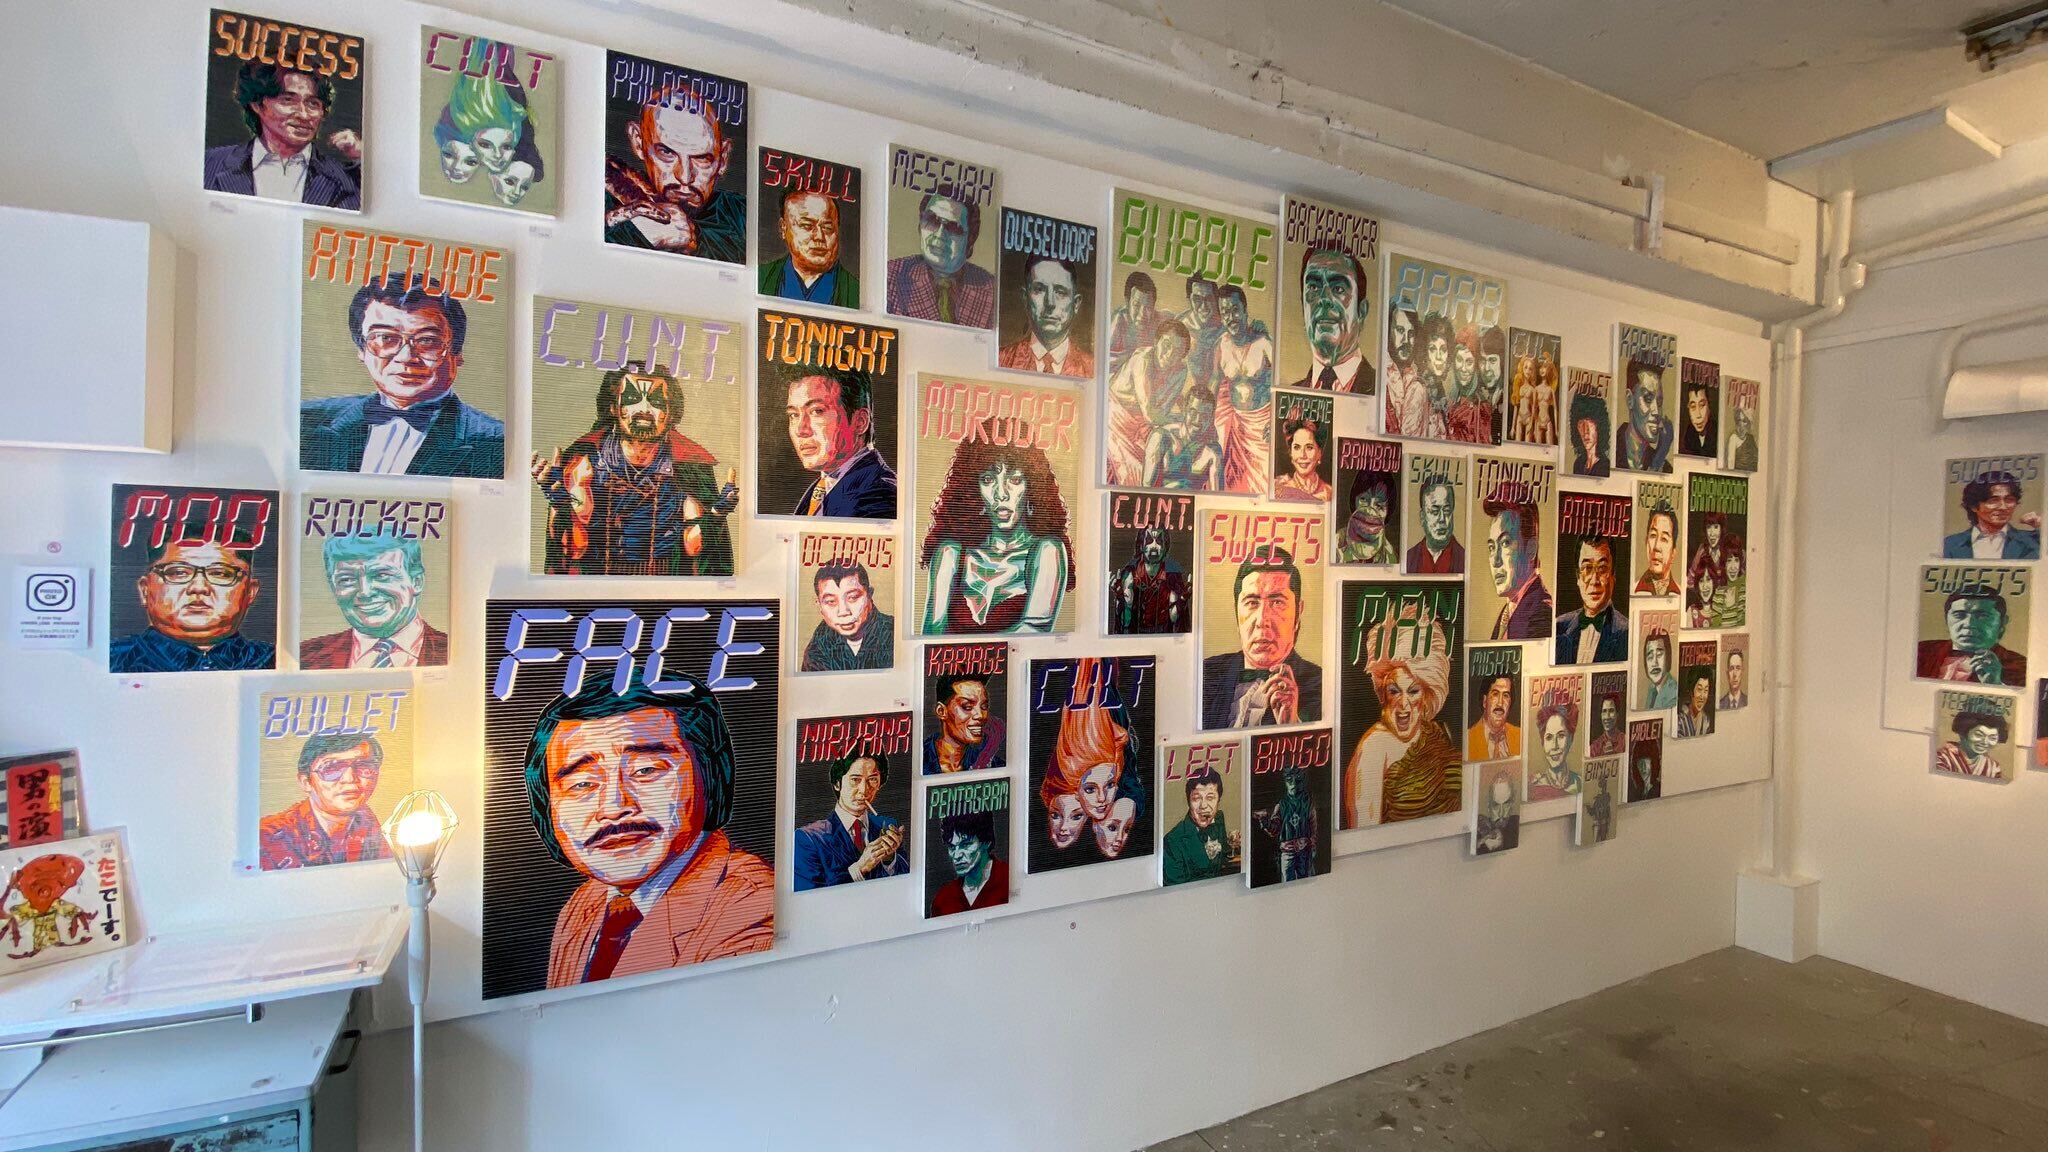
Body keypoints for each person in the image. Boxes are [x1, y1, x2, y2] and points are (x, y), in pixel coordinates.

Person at [523, 676, 774, 987]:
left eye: (645, 770)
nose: (614, 806)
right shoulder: (585, 904)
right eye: (583, 784)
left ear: (710, 775)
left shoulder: (752, 908)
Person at [531, 361, 738, 576]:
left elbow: (693, 547)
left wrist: (715, 515)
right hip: (602, 583)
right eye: (631, 399)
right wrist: (561, 506)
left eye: (656, 401)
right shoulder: (586, 463)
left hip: (665, 583)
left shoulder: (688, 466)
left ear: (670, 413)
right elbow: (575, 549)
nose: (644, 410)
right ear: (613, 407)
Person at [300, 273, 505, 477]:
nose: (406, 357)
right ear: (362, 350)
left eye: (427, 341)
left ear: (457, 354)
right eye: (385, 338)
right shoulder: (304, 420)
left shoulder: (498, 443)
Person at [918, 440, 1074, 634]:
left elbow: (1034, 632)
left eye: (1014, 480)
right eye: (988, 480)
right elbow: (931, 633)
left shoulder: (1048, 550)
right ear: (972, 489)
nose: (1001, 494)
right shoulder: (949, 553)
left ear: (1033, 487)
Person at [603, 86, 743, 262]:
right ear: (639, 142)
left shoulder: (739, 213)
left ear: (722, 159)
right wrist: (632, 233)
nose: (685, 177)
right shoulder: (602, 198)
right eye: (667, 153)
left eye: (701, 159)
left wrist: (696, 239)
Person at [1342, 620, 1458, 826]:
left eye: (1413, 691)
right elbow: (1365, 834)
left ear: (1427, 694)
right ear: (1383, 693)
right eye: (1394, 691)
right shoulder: (1374, 747)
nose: (1403, 704)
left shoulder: (1437, 733)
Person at [203, 60, 361, 209]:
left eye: (313, 103)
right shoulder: (210, 163)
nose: (303, 115)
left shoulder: (347, 178)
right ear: (257, 105)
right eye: (288, 100)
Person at [1200, 548, 1324, 729]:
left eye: (1277, 602)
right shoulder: (1206, 673)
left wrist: (1291, 724)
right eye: (1252, 603)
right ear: (1236, 611)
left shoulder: (1321, 684)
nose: (1262, 620)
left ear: (1298, 613)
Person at [109, 538, 274, 673]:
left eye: (221, 573)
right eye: (178, 572)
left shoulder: (273, 660)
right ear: (145, 590)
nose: (199, 588)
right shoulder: (113, 659)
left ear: (250, 592)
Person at [300, 529, 447, 669]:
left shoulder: (456, 652)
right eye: (347, 579)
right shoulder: (304, 657)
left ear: (416, 582)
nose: (365, 592)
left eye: (381, 575)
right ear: (333, 588)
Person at [258, 731, 389, 870]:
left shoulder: (367, 820)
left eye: (364, 767)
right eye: (331, 768)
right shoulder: (267, 838)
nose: (350, 779)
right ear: (306, 782)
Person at [785, 368, 897, 519]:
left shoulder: (880, 495)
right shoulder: (823, 487)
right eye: (793, 415)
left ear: (860, 422)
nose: (800, 430)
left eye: (817, 411)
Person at [791, 753, 906, 890]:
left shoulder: (887, 826)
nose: (864, 790)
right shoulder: (808, 838)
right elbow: (808, 895)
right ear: (837, 783)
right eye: (855, 779)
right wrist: (860, 869)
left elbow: (907, 883)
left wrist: (889, 859)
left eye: (872, 779)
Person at [887, 191, 996, 327]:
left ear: (971, 238)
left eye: (953, 227)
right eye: (931, 221)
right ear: (920, 226)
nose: (939, 235)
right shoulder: (890, 277)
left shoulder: (993, 290)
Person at [1213, 285, 1275, 494]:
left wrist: (1276, 422)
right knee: (1234, 483)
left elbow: (1282, 388)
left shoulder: (1264, 343)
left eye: (1235, 310)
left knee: (1264, 485)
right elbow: (1214, 385)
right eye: (1225, 313)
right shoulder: (1221, 345)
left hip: (1262, 426)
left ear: (1245, 310)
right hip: (1236, 427)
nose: (1231, 317)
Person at [1290, 248, 1374, 393]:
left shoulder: (1388, 394)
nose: (1324, 299)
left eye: (1338, 288)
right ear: (1304, 309)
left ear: (1361, 311)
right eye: (1313, 287)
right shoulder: (1289, 396)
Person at [759, 189, 860, 307]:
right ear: (783, 228)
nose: (819, 237)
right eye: (807, 226)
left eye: (827, 228)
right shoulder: (761, 277)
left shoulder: (854, 290)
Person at [998, 256, 1094, 378]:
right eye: (1039, 290)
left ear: (1075, 304)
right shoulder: (1001, 360)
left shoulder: (1093, 369)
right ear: (1025, 298)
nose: (1050, 303)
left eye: (1060, 292)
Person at [1915, 587, 2027, 685]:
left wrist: (1995, 684)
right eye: (1959, 615)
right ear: (1946, 620)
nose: (1969, 624)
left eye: (1982, 616)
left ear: (2002, 623)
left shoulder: (2021, 666)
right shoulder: (1921, 651)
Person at [800, 561, 894, 672]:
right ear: (819, 604)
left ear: (869, 595)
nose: (843, 612)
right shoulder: (818, 647)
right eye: (831, 601)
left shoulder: (893, 632)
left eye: (853, 597)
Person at [1483, 497, 1551, 640]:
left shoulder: (1541, 614)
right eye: (1491, 547)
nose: (1495, 561)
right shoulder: (1509, 610)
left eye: (1505, 543)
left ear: (1531, 549)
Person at [1161, 765, 1239, 884]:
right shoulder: (1171, 841)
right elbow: (1175, 888)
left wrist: (1234, 844)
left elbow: (1223, 854)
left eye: (1210, 798)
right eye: (1196, 798)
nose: (1203, 806)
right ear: (1189, 801)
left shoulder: (1218, 819)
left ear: (1219, 800)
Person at [1555, 538, 1628, 665]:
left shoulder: (1627, 632)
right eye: (1587, 568)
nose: (1594, 581)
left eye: (1602, 568)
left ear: (1613, 576)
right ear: (1578, 577)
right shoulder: (1558, 627)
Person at [1107, 525, 1191, 634]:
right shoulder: (1130, 575)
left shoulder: (1173, 577)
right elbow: (1125, 622)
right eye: (1149, 541)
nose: (1154, 546)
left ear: (1165, 547)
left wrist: (1183, 600)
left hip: (1164, 636)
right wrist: (1120, 598)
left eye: (1159, 541)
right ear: (1142, 545)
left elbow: (1175, 620)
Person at [1942, 473, 2041, 559]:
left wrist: (2042, 528)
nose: (2003, 507)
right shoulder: (1950, 544)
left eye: (2009, 500)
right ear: (1974, 506)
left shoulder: (2034, 540)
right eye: (1993, 500)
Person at [929, 808, 1008, 915]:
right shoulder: (943, 899)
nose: (957, 855)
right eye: (952, 847)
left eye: (966, 844)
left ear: (986, 842)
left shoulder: (1008, 879)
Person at [923, 674, 1005, 774]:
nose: (981, 715)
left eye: (984, 707)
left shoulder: (992, 765)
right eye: (967, 707)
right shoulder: (919, 761)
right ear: (941, 711)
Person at [1251, 764, 1319, 882]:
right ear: (1285, 782)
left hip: (1304, 850)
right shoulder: (1281, 805)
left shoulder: (1308, 803)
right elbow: (1274, 830)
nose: (1294, 785)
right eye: (1289, 781)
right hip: (1287, 852)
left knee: (1306, 880)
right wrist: (1265, 821)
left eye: (1297, 780)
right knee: (1287, 882)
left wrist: (1313, 846)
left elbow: (1313, 827)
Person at [1615, 358, 1673, 472]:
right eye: (1648, 399)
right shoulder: (1609, 454)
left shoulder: (1663, 466)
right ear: (1630, 399)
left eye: (1659, 402)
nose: (1656, 411)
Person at [1383, 309, 1432, 438]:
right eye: (1400, 330)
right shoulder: (1378, 376)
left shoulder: (1417, 384)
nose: (1406, 340)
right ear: (1388, 332)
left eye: (1411, 333)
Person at [1445, 327, 1497, 444]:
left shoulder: (1480, 406)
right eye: (1459, 360)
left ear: (1475, 366)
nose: (1463, 368)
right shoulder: (1452, 397)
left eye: (1469, 362)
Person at [1106, 271, 1161, 378]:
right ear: (1127, 302)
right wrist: (1133, 357)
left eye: (1148, 307)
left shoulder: (1159, 320)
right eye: (1136, 305)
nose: (1142, 314)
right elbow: (1104, 361)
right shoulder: (1118, 321)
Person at [1406, 473, 1464, 574]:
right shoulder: (1409, 559)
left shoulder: (1464, 559)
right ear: (1422, 517)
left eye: (1446, 510)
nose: (1442, 519)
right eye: (1434, 511)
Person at [1272, 414, 1333, 503]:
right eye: (1297, 447)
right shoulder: (1278, 488)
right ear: (1291, 452)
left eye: (1309, 447)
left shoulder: (1329, 493)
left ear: (1319, 453)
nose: (1302, 455)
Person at [1527, 697, 1579, 801]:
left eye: (1561, 736)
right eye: (1549, 737)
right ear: (1542, 742)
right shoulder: (1532, 787)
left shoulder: (1579, 783)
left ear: (1571, 739)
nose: (1554, 746)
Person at [1336, 478, 1398, 565]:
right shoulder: (1337, 543)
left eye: (1379, 506)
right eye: (1363, 499)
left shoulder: (1389, 555)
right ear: (1354, 500)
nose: (1369, 510)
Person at [1935, 710, 2008, 779]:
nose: (1985, 742)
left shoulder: (1993, 767)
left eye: (1992, 738)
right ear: (1963, 733)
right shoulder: (1942, 757)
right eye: (1979, 735)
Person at [1466, 673, 1521, 761]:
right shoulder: (1468, 739)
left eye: (1506, 695)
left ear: (1510, 703)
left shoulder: (1520, 736)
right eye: (1495, 694)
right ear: (1484, 701)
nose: (1500, 703)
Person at [1634, 502, 1680, 596]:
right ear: (1646, 542)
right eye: (1653, 535)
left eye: (1664, 539)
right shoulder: (1633, 591)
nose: (1656, 546)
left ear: (1673, 552)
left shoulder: (1680, 594)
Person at [1474, 769, 1519, 854]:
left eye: (1506, 804)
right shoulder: (1479, 826)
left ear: (1512, 802)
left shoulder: (1515, 824)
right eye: (1496, 805)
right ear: (1488, 805)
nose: (1501, 813)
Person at [1569, 390, 1610, 477]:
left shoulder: (1605, 466)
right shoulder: (1578, 464)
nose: (1585, 432)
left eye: (1590, 423)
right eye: (1581, 424)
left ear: (1599, 426)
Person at [1641, 629, 1679, 709]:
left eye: (1659, 654)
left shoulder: (1673, 695)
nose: (1655, 663)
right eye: (1650, 656)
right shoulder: (1652, 689)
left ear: (1668, 657)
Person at [1680, 374, 1716, 457]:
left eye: (1702, 405)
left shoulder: (1717, 434)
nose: (1698, 415)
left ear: (1709, 406)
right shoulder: (1686, 439)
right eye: (1693, 407)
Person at [1724, 396, 1759, 471]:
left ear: (1748, 423)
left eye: (1744, 421)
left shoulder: (1751, 438)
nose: (1741, 425)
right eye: (1738, 421)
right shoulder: (1733, 438)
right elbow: (1730, 467)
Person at [1676, 673, 1714, 738]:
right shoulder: (1680, 718)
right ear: (1691, 691)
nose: (1702, 696)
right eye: (1699, 689)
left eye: (1706, 690)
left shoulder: (1705, 720)